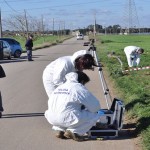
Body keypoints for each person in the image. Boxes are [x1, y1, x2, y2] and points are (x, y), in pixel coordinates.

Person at [45, 71, 101, 141]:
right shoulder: (78, 88)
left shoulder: (59, 87)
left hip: (51, 118)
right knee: (95, 115)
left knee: (64, 112)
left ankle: (60, 130)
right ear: (82, 81)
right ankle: (74, 131)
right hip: (66, 118)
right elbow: (95, 107)